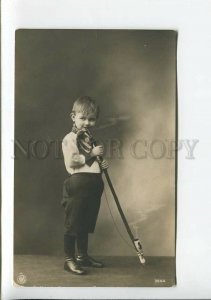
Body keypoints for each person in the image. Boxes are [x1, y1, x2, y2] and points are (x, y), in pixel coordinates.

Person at [61, 96, 108, 275]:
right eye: (83, 118)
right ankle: (69, 260)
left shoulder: (90, 140)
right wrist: (92, 154)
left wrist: (101, 165)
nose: (87, 122)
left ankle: (82, 257)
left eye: (91, 119)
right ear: (73, 116)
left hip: (93, 185)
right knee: (74, 223)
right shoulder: (70, 138)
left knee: (85, 222)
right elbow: (73, 161)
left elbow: (92, 164)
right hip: (78, 184)